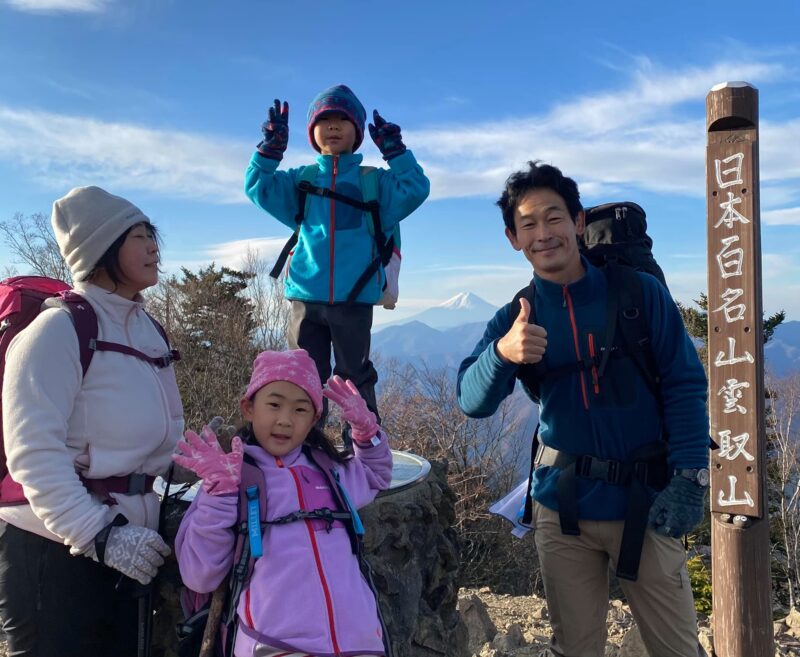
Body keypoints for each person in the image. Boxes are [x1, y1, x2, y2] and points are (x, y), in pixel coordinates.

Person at [456, 162, 710, 657]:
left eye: (554, 218)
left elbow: (684, 384)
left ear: (577, 222)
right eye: (527, 224)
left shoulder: (640, 295)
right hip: (561, 507)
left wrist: (690, 478)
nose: (542, 233)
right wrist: (503, 354)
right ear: (513, 238)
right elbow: (471, 401)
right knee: (576, 648)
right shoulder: (515, 316)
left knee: (677, 649)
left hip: (648, 503)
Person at [0, 186, 184, 657]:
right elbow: (33, 456)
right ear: (101, 249)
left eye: (152, 236)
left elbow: (152, 440)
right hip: (53, 549)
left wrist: (192, 460)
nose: (153, 247)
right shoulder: (57, 330)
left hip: (127, 543)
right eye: (139, 237)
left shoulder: (147, 330)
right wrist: (99, 536)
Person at [174, 348, 392, 657]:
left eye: (301, 410)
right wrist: (217, 495)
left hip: (359, 643)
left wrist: (367, 432)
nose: (285, 420)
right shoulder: (233, 476)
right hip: (275, 645)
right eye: (274, 404)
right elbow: (200, 574)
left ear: (315, 418)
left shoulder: (328, 471)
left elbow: (374, 475)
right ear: (248, 408)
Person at [244, 84, 430, 426]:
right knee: (301, 380)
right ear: (312, 132)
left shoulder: (374, 182)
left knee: (353, 379)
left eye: (342, 120)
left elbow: (416, 189)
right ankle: (307, 447)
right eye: (324, 119)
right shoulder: (302, 180)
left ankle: (362, 448)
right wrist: (270, 150)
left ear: (357, 132)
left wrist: (397, 153)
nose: (332, 125)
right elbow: (258, 186)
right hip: (304, 298)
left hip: (354, 298)